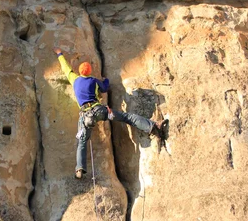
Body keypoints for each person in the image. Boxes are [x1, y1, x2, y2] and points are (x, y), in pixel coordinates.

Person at [54, 48, 167, 179]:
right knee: (127, 117)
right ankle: (152, 126)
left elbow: (66, 68)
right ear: (89, 72)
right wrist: (105, 80)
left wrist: (59, 54)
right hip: (99, 111)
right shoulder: (94, 81)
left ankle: (80, 169)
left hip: (85, 115)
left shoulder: (74, 79)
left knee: (82, 142)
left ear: (79, 72)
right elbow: (105, 88)